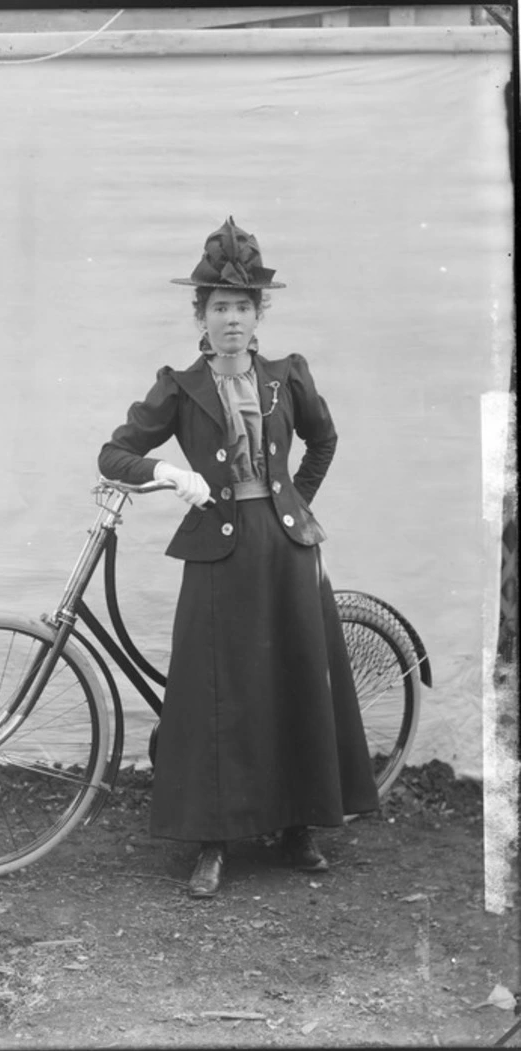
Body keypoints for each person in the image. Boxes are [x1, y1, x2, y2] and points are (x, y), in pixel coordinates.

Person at [98, 217, 379, 899]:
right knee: (217, 695)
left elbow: (325, 440)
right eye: (220, 306)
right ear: (202, 314)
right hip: (219, 553)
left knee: (291, 682)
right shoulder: (181, 386)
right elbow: (114, 454)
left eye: (244, 307)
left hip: (284, 550)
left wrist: (294, 504)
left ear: (260, 315)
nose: (232, 319)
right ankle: (213, 843)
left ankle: (299, 827)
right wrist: (169, 475)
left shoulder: (287, 378)